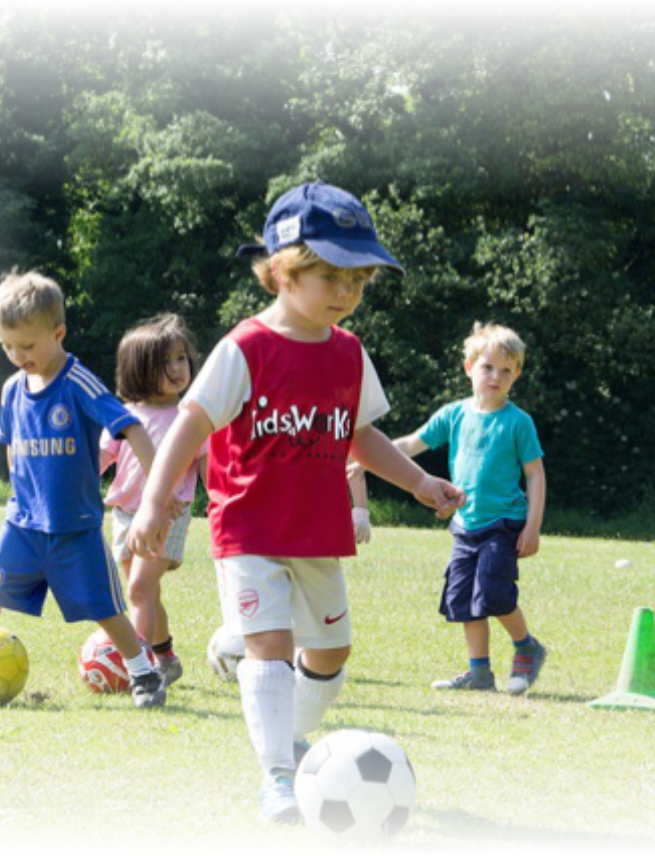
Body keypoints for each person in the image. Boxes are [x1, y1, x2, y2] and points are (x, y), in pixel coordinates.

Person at [125, 181, 464, 824]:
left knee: (331, 658)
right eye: (331, 275)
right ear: (281, 269)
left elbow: (362, 435)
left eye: (358, 279)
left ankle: (292, 745)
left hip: (318, 531)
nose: (346, 293)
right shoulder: (245, 349)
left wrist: (419, 482)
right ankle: (277, 771)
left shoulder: (349, 354)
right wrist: (149, 505)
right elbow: (190, 426)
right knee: (271, 649)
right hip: (248, 528)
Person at [0, 270, 169, 708]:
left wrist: (154, 497)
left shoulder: (77, 382)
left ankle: (144, 673)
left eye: (27, 346)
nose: (16, 355)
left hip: (74, 526)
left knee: (104, 607)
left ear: (59, 332)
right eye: (7, 346)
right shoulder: (11, 389)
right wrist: (20, 496)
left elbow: (133, 429)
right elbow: (12, 447)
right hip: (22, 523)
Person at [389, 322, 547, 696]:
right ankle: (479, 674)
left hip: (504, 524)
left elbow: (536, 476)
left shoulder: (518, 423)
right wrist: (365, 459)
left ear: (516, 375)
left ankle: (526, 647)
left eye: (506, 370)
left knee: (493, 593)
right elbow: (411, 444)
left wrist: (533, 527)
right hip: (464, 525)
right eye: (488, 367)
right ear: (469, 368)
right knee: (463, 600)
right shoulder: (453, 414)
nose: (496, 376)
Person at [101, 313, 207, 687]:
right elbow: (101, 459)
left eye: (181, 358)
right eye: (165, 362)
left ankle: (139, 670)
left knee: (139, 590)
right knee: (147, 591)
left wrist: (223, 503)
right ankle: (165, 656)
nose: (178, 368)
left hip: (169, 515)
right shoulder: (124, 415)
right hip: (125, 515)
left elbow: (211, 470)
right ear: (138, 369)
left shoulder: (192, 416)